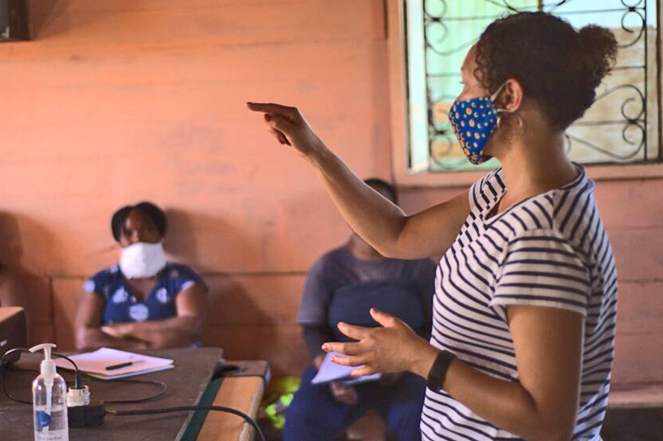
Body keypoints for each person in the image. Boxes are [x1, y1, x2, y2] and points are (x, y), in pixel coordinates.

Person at [249, 11, 618, 441]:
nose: (456, 103)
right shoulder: (501, 189)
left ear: (509, 96)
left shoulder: (542, 236)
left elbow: (546, 421)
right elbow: (396, 236)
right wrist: (314, 151)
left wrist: (419, 358)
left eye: (466, 85)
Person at [285, 178, 436, 441]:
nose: (369, 216)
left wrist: (410, 360)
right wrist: (329, 374)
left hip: (407, 368)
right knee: (302, 417)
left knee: (419, 420)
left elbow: (438, 324)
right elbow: (312, 329)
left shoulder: (417, 265)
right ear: (347, 212)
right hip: (342, 368)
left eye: (380, 207)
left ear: (396, 213)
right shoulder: (328, 267)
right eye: (360, 206)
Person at [74, 202, 208, 351]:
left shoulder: (183, 278)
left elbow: (191, 326)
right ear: (119, 239)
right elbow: (84, 338)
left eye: (147, 230)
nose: (138, 238)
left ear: (160, 233)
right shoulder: (103, 280)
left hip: (177, 366)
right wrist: (140, 346)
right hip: (114, 369)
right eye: (128, 233)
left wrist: (125, 330)